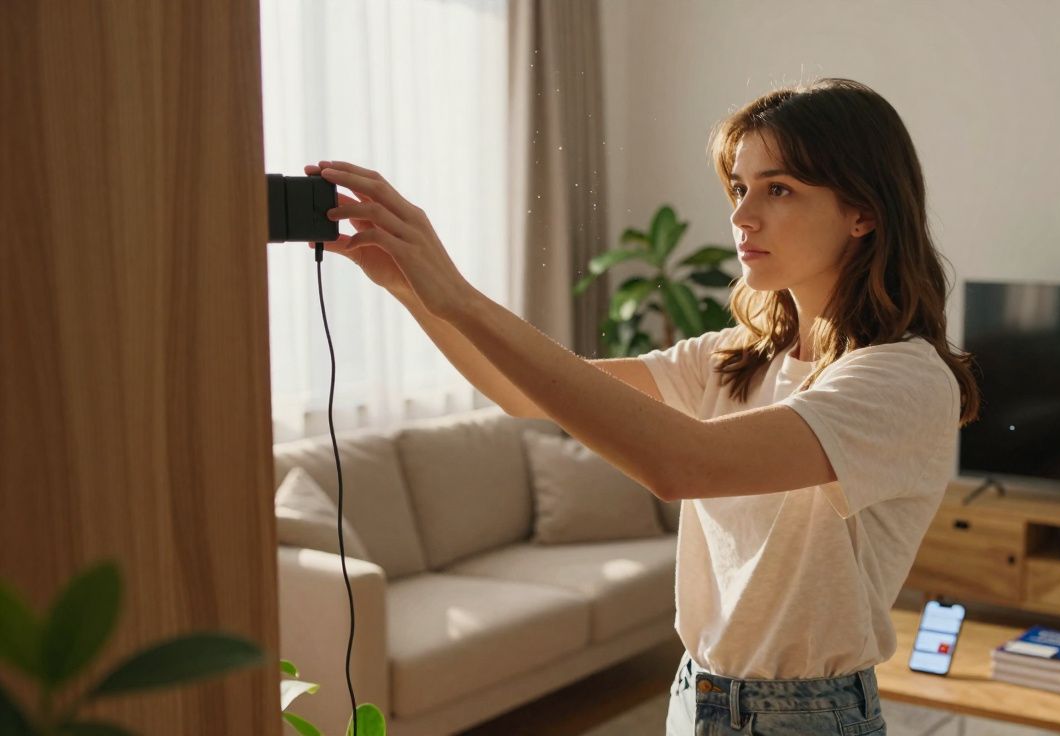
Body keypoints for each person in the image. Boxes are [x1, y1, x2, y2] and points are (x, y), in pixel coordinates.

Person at [307, 76, 980, 736]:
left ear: (863, 212)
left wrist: (458, 294)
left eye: (778, 189)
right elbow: (520, 394)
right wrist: (410, 287)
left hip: (805, 716)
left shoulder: (901, 378)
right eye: (740, 188)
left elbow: (684, 464)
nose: (742, 216)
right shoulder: (737, 357)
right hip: (696, 694)